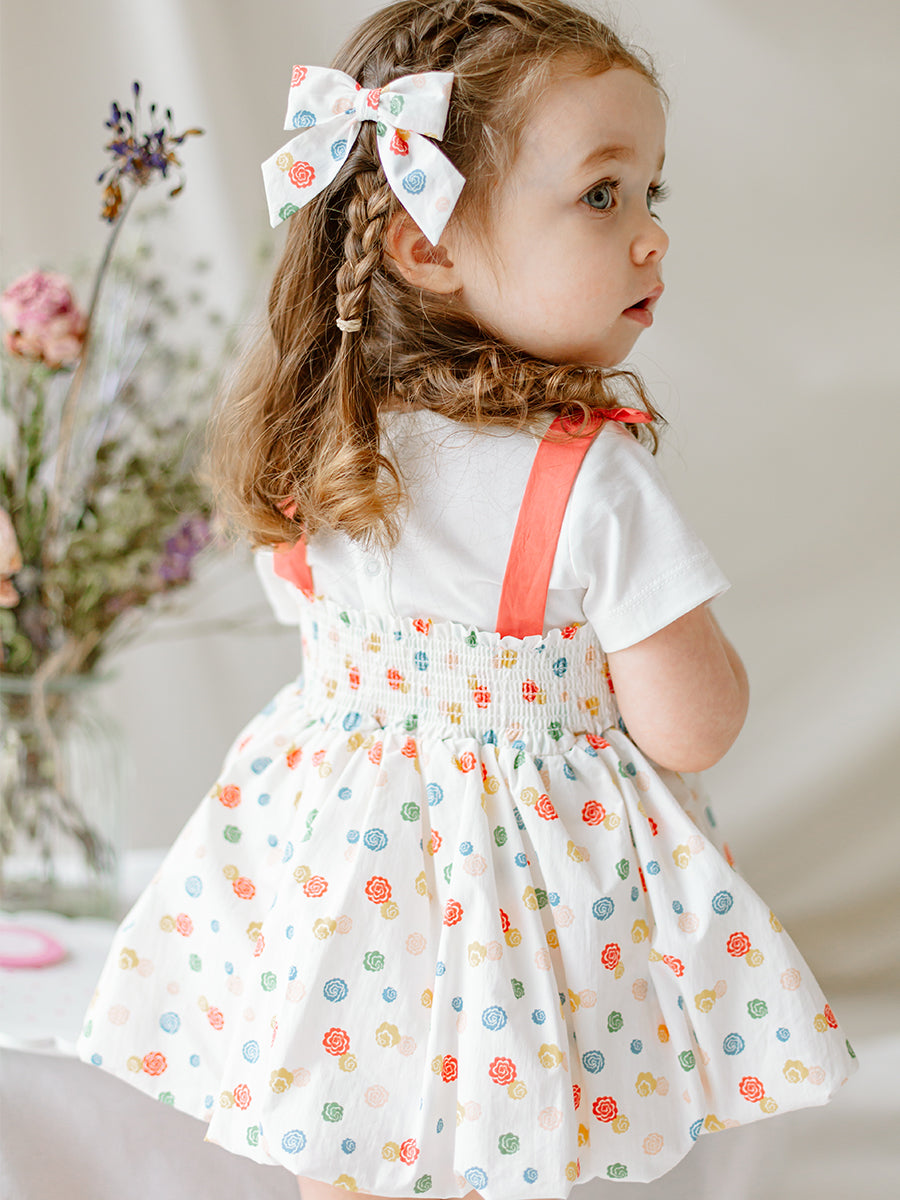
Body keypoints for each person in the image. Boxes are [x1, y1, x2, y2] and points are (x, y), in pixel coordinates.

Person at [75, 1, 857, 1196]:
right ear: (426, 246)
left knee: (350, 1121)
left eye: (650, 194)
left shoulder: (321, 441)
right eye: (603, 195)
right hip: (529, 890)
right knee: (521, 1126)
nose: (651, 235)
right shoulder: (585, 475)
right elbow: (694, 725)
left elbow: (305, 608)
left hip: (344, 878)